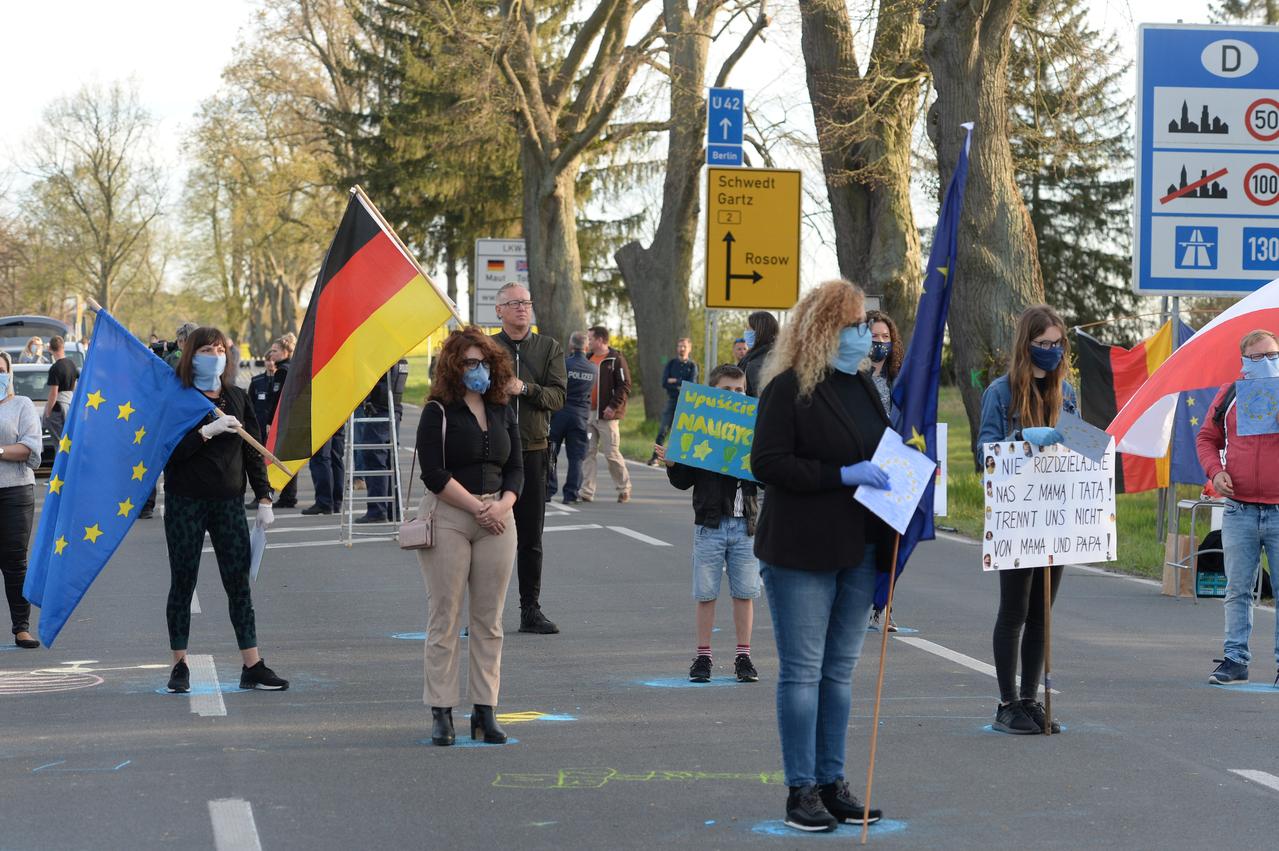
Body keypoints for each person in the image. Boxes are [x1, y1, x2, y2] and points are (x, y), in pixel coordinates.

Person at [751, 279, 891, 832]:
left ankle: (833, 783)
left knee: (840, 674)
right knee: (803, 674)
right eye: (856, 326)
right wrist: (840, 475)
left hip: (857, 547)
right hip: (799, 552)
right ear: (827, 329)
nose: (866, 336)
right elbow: (768, 463)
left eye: (866, 326)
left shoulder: (862, 388)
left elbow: (877, 452)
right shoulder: (787, 389)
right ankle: (800, 790)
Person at [162, 326, 288, 694]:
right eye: (206, 348)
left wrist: (264, 497)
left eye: (220, 348)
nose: (215, 354)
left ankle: (252, 664)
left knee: (239, 584)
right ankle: (179, 664)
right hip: (186, 502)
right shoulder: (180, 399)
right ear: (191, 355)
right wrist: (207, 431)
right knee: (183, 582)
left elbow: (252, 450)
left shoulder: (236, 396)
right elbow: (169, 452)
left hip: (229, 502)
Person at [415, 328, 523, 746]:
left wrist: (503, 504)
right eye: (468, 363)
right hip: (450, 515)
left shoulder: (502, 409)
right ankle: (442, 711)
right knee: (445, 616)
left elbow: (516, 467)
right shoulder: (437, 411)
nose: (475, 370)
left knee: (489, 620)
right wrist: (477, 507)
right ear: (453, 367)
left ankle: (485, 709)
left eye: (482, 362)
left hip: (498, 516)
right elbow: (434, 472)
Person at [977, 304, 1078, 735]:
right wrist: (1020, 439)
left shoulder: (1066, 392)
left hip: (1055, 515)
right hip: (1016, 518)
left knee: (1043, 612)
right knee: (1015, 609)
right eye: (1043, 345)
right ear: (1026, 345)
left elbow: (1079, 445)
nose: (1051, 352)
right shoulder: (1001, 392)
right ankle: (1007, 702)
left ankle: (1031, 699)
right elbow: (984, 452)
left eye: (1057, 344)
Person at [655, 363, 760, 684]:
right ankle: (703, 656)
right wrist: (674, 464)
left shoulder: (754, 429)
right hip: (710, 525)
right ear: (712, 394)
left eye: (740, 390)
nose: (734, 396)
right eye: (726, 391)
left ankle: (744, 655)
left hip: (745, 525)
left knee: (745, 593)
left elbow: (768, 476)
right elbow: (684, 480)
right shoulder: (700, 428)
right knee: (706, 593)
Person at [1197, 329, 1279, 687]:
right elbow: (1206, 438)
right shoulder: (1230, 392)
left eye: (1273, 355)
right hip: (1240, 509)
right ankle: (1235, 659)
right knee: (1238, 588)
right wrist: (1216, 473)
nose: (1267, 363)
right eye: (1258, 357)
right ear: (1244, 360)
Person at [492, 282, 567, 635]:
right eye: (514, 303)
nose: (522, 308)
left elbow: (558, 396)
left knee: (530, 536)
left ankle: (530, 609)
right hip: (491, 454)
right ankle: (483, 613)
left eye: (526, 302)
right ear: (500, 311)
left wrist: (525, 389)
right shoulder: (488, 347)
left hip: (534, 450)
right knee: (485, 536)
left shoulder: (548, 347)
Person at [864, 310, 905, 632]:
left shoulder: (900, 382)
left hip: (893, 471)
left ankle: (883, 606)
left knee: (889, 545)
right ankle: (858, 602)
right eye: (874, 337)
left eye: (885, 338)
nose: (879, 343)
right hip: (861, 469)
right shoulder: (853, 379)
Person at [0, 352, 43, 649]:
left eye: (0, 370)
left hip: (14, 491)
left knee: (15, 562)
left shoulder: (21, 405)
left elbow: (29, 447)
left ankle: (22, 628)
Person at [582, 326, 632, 503]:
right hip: (588, 414)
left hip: (607, 416)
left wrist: (612, 406)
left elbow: (625, 385)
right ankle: (587, 491)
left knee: (611, 453)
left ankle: (624, 488)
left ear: (600, 340)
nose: (588, 342)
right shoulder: (588, 358)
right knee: (588, 452)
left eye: (590, 338)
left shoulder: (615, 359)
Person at [355, 359, 409, 523]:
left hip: (381, 410)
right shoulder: (401, 359)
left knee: (374, 458)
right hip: (392, 410)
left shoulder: (386, 358)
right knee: (390, 461)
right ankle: (394, 509)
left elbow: (380, 388)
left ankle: (377, 509)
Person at [547, 331, 596, 505]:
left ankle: (548, 490)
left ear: (571, 346)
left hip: (559, 414)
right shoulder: (593, 368)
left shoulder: (563, 364)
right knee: (576, 457)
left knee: (551, 453)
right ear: (586, 346)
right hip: (580, 417)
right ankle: (570, 494)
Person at [648, 337, 698, 466]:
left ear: (689, 348)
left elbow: (691, 384)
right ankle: (655, 457)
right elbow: (664, 382)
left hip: (687, 403)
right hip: (672, 400)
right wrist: (680, 383)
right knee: (663, 430)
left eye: (684, 346)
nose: (681, 349)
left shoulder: (692, 366)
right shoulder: (671, 364)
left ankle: (683, 460)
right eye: (679, 346)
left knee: (684, 433)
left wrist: (674, 381)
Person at [263, 337, 298, 508]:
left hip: (284, 419)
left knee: (282, 457)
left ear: (285, 352)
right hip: (291, 418)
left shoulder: (283, 371)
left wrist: (270, 421)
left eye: (275, 350)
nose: (272, 353)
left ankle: (288, 496)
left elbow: (278, 399)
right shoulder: (291, 368)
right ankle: (288, 495)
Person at [41, 336, 78, 443]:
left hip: (58, 407)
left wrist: (48, 412)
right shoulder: (72, 365)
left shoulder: (55, 368)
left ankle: (60, 459)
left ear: (50, 349)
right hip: (70, 404)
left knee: (59, 442)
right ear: (63, 347)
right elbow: (75, 385)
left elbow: (54, 393)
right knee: (69, 440)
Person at [737, 311, 780, 397]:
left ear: (759, 331)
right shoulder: (780, 355)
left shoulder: (756, 364)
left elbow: (763, 400)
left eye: (748, 329)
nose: (746, 332)